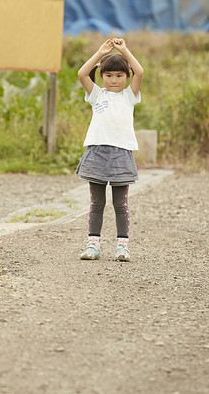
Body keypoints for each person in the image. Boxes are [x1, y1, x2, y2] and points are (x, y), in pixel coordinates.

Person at [75, 38, 144, 262]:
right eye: (108, 75)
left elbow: (140, 72)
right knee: (97, 203)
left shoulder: (129, 96)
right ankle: (92, 245)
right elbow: (81, 74)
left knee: (120, 204)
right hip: (96, 154)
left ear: (127, 77)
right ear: (102, 76)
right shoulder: (97, 95)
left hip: (121, 155)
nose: (114, 80)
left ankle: (122, 247)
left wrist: (124, 50)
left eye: (119, 75)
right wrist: (99, 53)